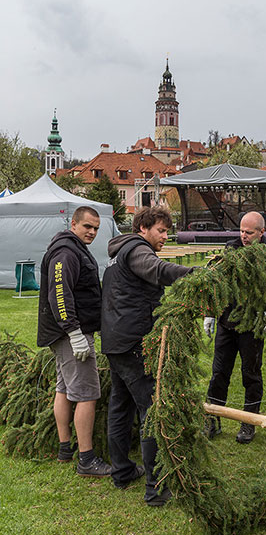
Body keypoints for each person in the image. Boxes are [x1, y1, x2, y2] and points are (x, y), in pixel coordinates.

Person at [101, 206, 194, 505]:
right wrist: (196, 274)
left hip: (115, 340)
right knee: (150, 411)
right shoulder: (138, 250)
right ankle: (156, 489)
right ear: (143, 227)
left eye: (167, 231)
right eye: (161, 230)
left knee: (120, 406)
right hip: (133, 343)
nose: (166, 236)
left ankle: (122, 472)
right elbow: (159, 271)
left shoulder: (117, 253)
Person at [37, 206, 111, 477]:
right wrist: (74, 332)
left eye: (96, 228)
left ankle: (65, 448)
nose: (92, 232)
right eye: (87, 226)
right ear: (74, 223)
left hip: (67, 333)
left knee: (64, 389)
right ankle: (86, 459)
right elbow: (59, 293)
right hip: (71, 335)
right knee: (87, 393)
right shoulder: (66, 251)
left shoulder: (72, 247)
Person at [204, 211, 266, 444]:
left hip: (253, 325)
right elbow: (218, 282)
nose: (244, 236)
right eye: (242, 231)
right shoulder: (231, 248)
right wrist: (210, 313)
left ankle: (249, 421)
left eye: (249, 232)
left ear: (262, 232)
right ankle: (213, 418)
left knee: (251, 374)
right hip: (227, 322)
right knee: (219, 373)